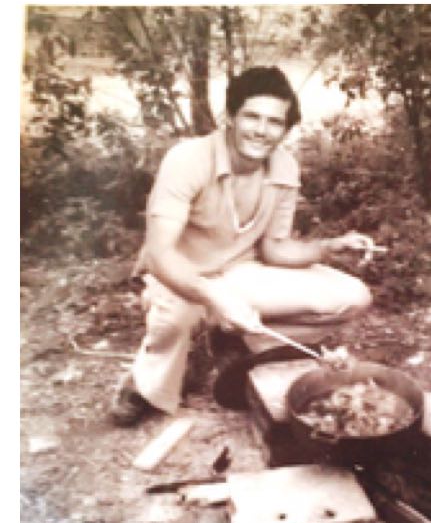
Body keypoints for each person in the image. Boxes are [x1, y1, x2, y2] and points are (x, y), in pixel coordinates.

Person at [112, 66, 375, 426]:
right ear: (230, 117)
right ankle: (145, 380)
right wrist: (213, 297)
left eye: (274, 122)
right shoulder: (188, 159)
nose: (261, 130)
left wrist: (330, 247)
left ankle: (235, 340)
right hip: (179, 274)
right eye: (251, 116)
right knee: (176, 321)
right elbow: (160, 255)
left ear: (285, 129)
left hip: (239, 274)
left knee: (353, 296)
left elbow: (276, 249)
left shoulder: (284, 166)